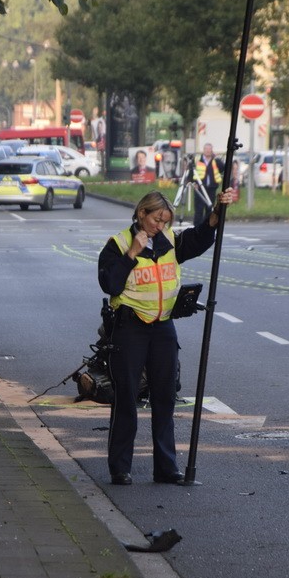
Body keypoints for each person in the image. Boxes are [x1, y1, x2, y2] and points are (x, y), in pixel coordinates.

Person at [97, 187, 236, 486]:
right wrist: (132, 253)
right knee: (126, 399)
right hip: (129, 327)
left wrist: (216, 213)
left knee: (165, 398)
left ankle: (166, 467)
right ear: (141, 213)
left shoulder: (169, 241)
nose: (160, 226)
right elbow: (110, 284)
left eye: (165, 221)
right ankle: (120, 468)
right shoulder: (118, 244)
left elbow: (198, 238)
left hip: (162, 327)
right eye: (156, 220)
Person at [193, 143, 224, 226]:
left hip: (211, 189)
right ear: (203, 150)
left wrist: (217, 158)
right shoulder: (198, 160)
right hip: (199, 188)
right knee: (199, 210)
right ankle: (197, 228)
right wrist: (194, 183)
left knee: (209, 209)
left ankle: (207, 227)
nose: (208, 151)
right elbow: (191, 171)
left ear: (212, 150)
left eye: (209, 149)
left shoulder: (215, 161)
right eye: (206, 149)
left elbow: (222, 168)